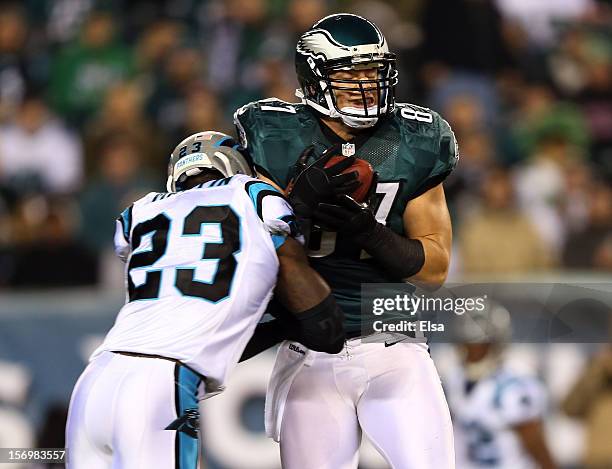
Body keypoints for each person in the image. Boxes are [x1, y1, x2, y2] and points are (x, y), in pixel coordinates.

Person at [234, 13, 458, 468]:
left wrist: (369, 232)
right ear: (315, 79)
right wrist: (294, 203)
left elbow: (434, 269)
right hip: (308, 350)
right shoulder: (273, 133)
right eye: (350, 74)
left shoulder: (415, 137)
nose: (365, 86)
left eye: (373, 73)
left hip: (393, 345)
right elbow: (251, 245)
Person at [65, 131, 346, 469]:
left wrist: (282, 327)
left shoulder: (139, 210)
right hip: (162, 383)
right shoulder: (251, 193)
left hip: (95, 380)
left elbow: (201, 324)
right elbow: (318, 317)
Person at [445, 303, 557, 469]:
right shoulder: (455, 379)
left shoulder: (515, 381)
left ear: (496, 344)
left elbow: (535, 443)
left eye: (480, 345)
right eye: (467, 344)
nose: (471, 352)